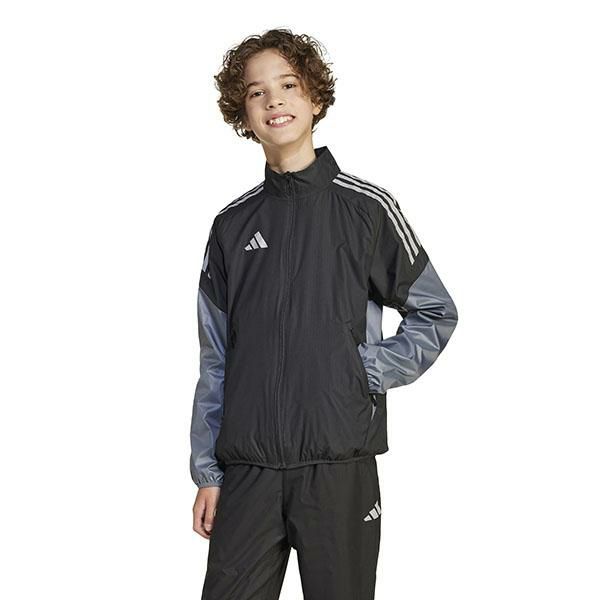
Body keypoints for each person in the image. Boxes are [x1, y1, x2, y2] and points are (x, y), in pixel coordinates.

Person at [190, 28, 458, 600]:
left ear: (314, 97)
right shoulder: (231, 227)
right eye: (257, 92)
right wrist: (209, 472)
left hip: (339, 464)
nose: (274, 100)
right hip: (248, 472)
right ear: (243, 113)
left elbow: (435, 311)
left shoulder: (366, 210)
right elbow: (216, 359)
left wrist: (362, 372)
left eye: (288, 85)